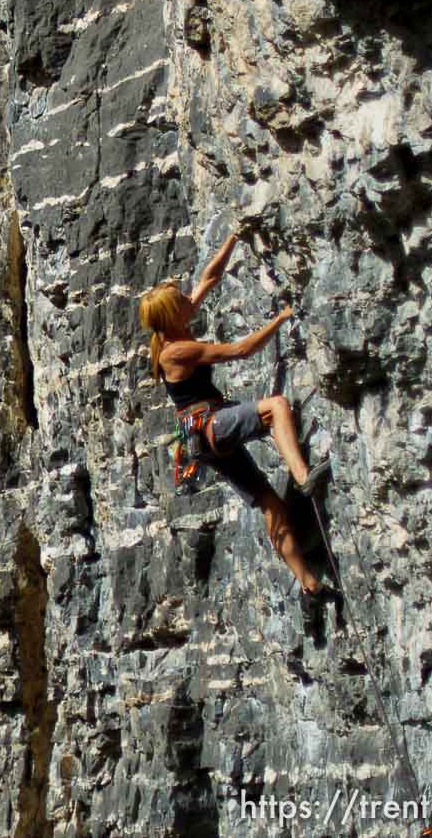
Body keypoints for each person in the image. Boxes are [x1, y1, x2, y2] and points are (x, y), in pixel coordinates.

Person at [138, 229, 337, 607]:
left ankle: (309, 585)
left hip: (204, 437)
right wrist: (282, 317)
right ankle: (301, 476)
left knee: (269, 503)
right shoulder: (177, 350)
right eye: (182, 300)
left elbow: (208, 279)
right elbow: (242, 350)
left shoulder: (172, 330)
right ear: (172, 313)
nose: (188, 299)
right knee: (276, 406)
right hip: (212, 426)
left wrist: (233, 237)